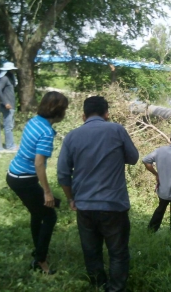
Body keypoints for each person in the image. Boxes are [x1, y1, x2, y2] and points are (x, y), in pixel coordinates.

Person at [57, 96, 139, 291]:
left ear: (83, 116)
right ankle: (115, 288)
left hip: (84, 205)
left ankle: (97, 285)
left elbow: (62, 174)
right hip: (114, 205)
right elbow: (134, 158)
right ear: (106, 114)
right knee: (118, 252)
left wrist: (71, 199)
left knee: (91, 251)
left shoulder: (71, 136)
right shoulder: (117, 130)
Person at [6, 91, 69, 274]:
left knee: (37, 213)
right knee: (50, 216)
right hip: (23, 179)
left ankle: (38, 251)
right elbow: (39, 163)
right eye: (64, 109)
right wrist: (47, 192)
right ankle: (40, 262)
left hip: (15, 174)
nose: (65, 113)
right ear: (58, 112)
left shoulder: (34, 121)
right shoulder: (46, 132)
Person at [0, 62, 19, 150]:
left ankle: (11, 144)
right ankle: (9, 146)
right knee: (8, 126)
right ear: (8, 70)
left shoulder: (10, 78)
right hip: (7, 106)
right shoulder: (4, 78)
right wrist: (6, 103)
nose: (13, 71)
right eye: (11, 69)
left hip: (11, 106)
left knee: (10, 126)